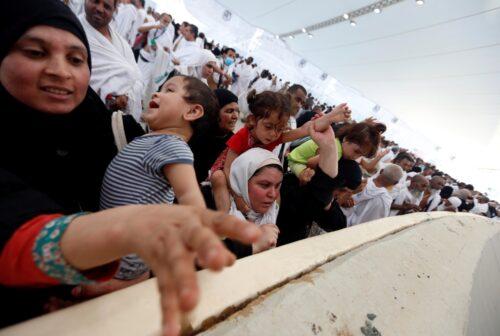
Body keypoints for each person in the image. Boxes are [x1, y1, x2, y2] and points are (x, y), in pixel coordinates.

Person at [0, 2, 261, 333]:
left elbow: (183, 204)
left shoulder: (113, 127)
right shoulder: (145, 137)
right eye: (36, 52)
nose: (60, 71)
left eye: (76, 59)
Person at [100, 75, 218, 280]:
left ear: (192, 111)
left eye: (169, 91)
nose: (157, 93)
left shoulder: (172, 145)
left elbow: (189, 194)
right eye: (160, 89)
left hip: (120, 261)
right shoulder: (154, 139)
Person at [209, 90, 351, 214]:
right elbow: (228, 168)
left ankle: (270, 220)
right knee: (218, 178)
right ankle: (224, 219)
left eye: (279, 129)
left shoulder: (274, 137)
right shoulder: (243, 136)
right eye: (268, 126)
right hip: (228, 174)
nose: (273, 134)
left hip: (249, 177)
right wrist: (239, 199)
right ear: (252, 120)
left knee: (276, 192)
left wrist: (330, 117)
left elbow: (305, 129)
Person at [80, 0, 144, 121]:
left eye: (107, 6)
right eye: (95, 1)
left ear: (114, 10)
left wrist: (127, 96)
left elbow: (137, 75)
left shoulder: (121, 42)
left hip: (120, 119)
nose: (99, 9)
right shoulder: (76, 32)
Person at [226, 148, 283, 257]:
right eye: (264, 185)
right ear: (241, 181)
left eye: (277, 186)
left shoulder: (277, 213)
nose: (273, 194)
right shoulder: (216, 211)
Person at [189, 89, 239, 183]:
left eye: (237, 111)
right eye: (229, 111)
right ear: (215, 112)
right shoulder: (195, 133)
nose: (235, 116)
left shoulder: (233, 142)